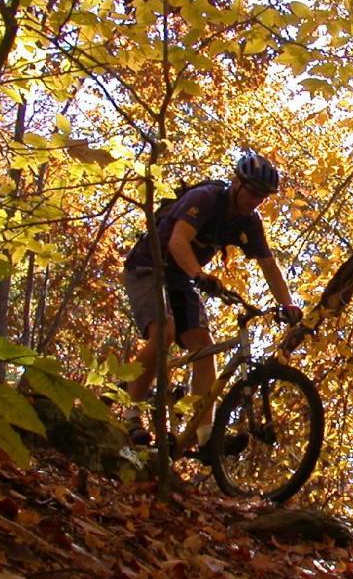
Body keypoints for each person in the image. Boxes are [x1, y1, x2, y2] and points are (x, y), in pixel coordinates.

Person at [122, 152, 302, 448]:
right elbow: (177, 241)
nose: (256, 200)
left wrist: (288, 304)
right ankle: (131, 414)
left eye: (263, 196)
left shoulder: (249, 222)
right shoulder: (205, 198)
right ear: (237, 183)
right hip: (148, 266)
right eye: (253, 191)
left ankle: (206, 437)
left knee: (205, 349)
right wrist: (199, 274)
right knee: (164, 333)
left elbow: (268, 265)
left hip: (182, 278)